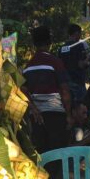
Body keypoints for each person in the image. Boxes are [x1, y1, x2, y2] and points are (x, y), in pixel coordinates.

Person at [22, 25, 72, 157]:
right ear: (49, 43)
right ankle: (57, 177)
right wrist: (69, 114)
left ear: (34, 44)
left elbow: (23, 91)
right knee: (58, 153)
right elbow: (65, 91)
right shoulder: (55, 62)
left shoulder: (28, 66)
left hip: (37, 117)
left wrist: (33, 109)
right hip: (55, 113)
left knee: (42, 154)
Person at [57, 23, 89, 106]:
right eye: (80, 33)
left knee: (70, 107)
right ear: (76, 33)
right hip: (78, 82)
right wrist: (88, 60)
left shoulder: (62, 48)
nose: (80, 36)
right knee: (82, 107)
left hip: (66, 83)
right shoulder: (79, 46)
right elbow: (81, 64)